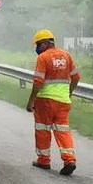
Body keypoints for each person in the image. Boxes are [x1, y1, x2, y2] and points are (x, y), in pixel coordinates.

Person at [25, 29, 80, 176]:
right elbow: (76, 77)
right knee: (62, 130)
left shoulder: (43, 58)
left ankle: (43, 160)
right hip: (63, 101)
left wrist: (30, 102)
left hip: (45, 101)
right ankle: (69, 160)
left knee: (42, 130)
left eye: (37, 44)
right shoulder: (66, 55)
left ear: (44, 43)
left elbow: (38, 82)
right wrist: (68, 93)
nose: (36, 48)